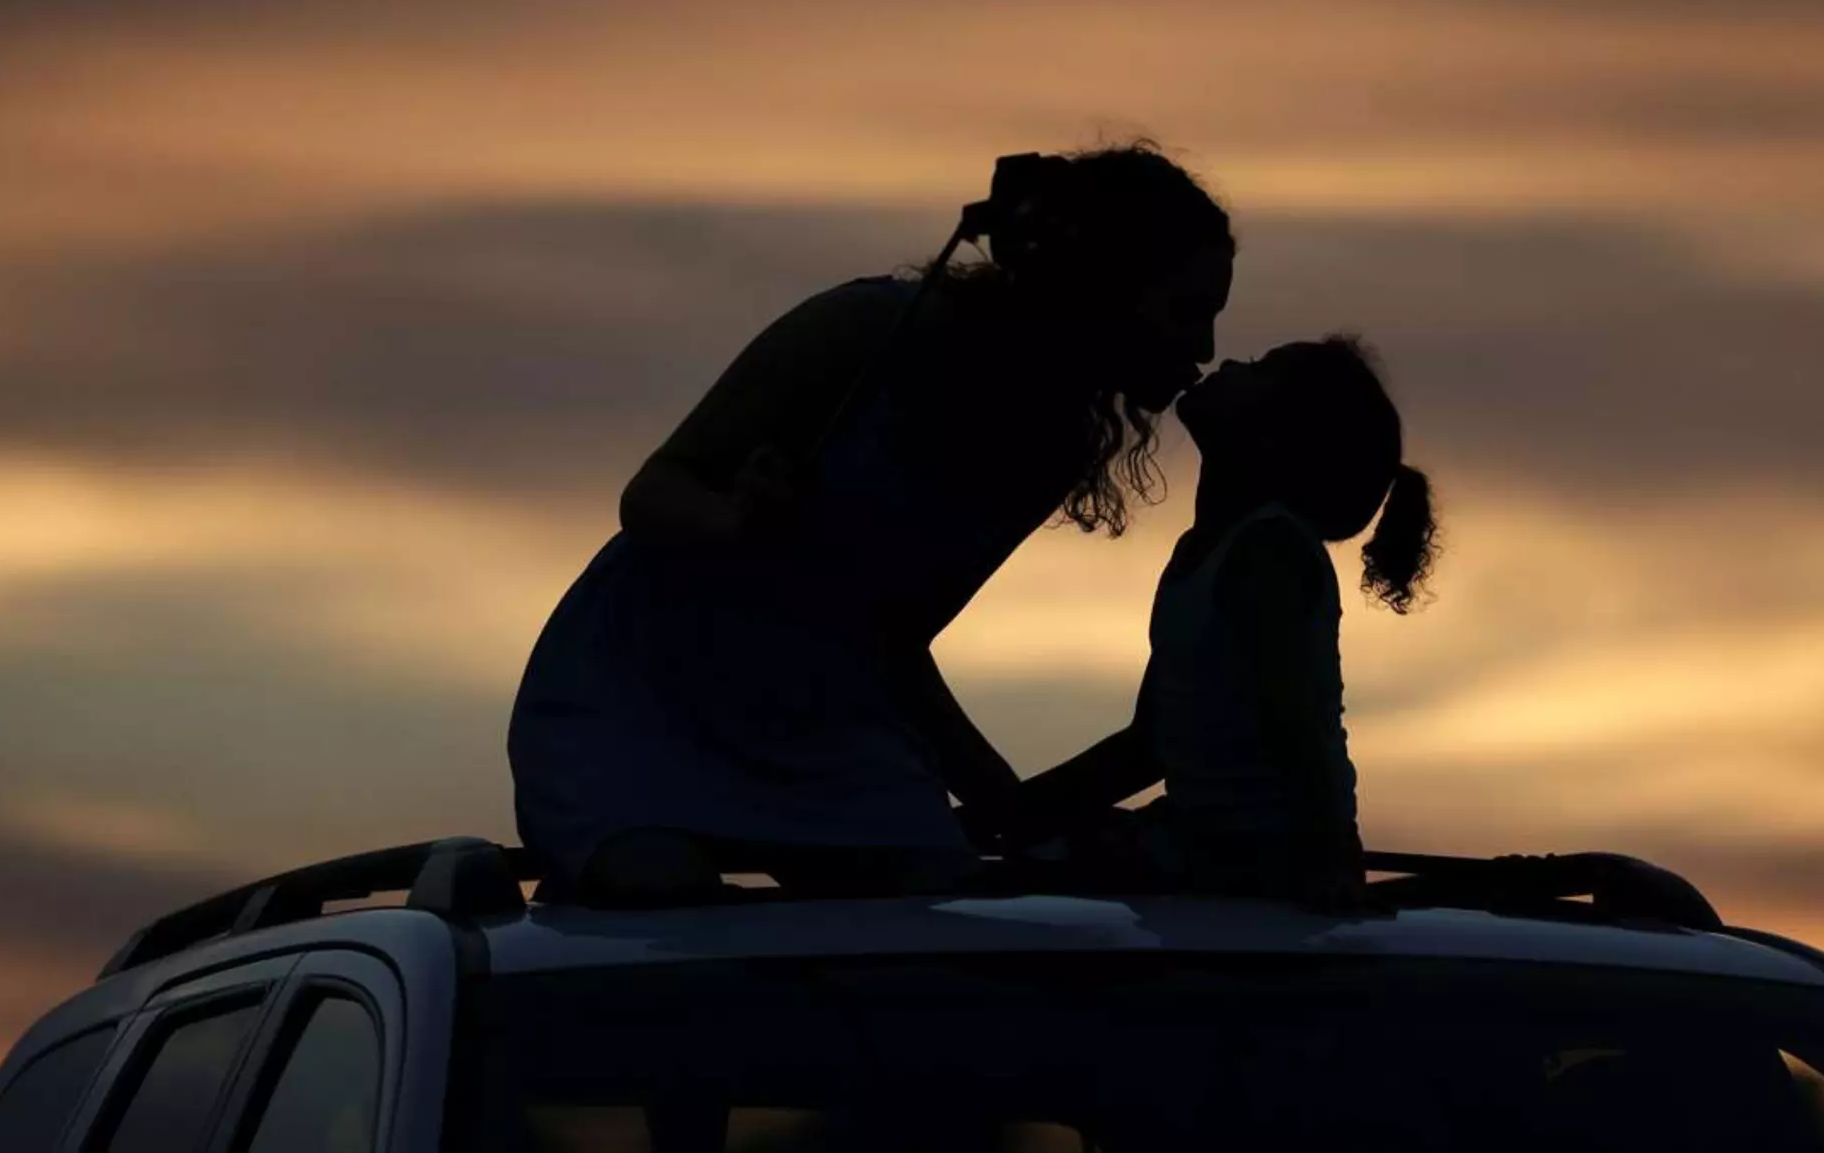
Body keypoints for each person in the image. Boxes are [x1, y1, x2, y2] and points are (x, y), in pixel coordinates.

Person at [507, 142, 1237, 904]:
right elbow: (653, 494)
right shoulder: (861, 330)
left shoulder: (1054, 446)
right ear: (1100, 285)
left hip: (823, 725)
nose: (1205, 348)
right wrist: (734, 522)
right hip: (640, 697)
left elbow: (892, 643)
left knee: (934, 912)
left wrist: (1006, 809)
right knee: (661, 895)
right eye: (1186, 312)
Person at [980, 335, 1438, 910]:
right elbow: (1149, 744)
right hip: (1209, 840)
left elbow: (1296, 732)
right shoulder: (1200, 552)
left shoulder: (1266, 554)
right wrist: (1007, 817)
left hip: (1261, 858)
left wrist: (1329, 863)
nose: (1228, 362)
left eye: (1257, 370)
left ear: (1277, 439)